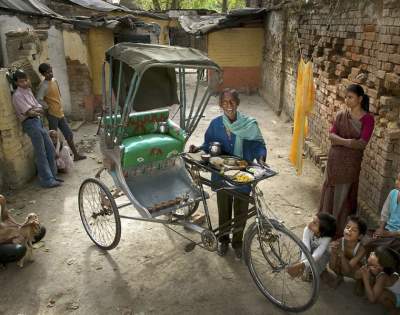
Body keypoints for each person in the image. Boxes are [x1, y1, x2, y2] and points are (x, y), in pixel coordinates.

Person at [189, 88, 266, 258]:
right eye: (225, 102)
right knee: (224, 210)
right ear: (221, 104)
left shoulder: (249, 124)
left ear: (237, 103)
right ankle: (223, 241)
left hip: (243, 174)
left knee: (241, 212)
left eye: (232, 102)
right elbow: (209, 143)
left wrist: (260, 157)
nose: (228, 105)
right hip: (222, 174)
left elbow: (259, 144)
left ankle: (237, 243)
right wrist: (199, 148)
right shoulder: (216, 124)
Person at [319, 84, 375, 238]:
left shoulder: (368, 119)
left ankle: (338, 230)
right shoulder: (341, 115)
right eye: (346, 97)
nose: (347, 100)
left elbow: (362, 143)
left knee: (344, 195)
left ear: (360, 99)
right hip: (334, 162)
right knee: (330, 192)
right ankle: (324, 226)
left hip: (350, 165)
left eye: (350, 97)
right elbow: (331, 136)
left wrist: (341, 141)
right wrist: (350, 142)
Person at [11, 70, 61, 188]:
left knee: (49, 148)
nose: (24, 83)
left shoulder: (28, 91)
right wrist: (35, 110)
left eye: (25, 80)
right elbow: (29, 112)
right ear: (16, 82)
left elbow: (39, 107)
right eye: (21, 81)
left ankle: (53, 176)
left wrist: (35, 110)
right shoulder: (17, 95)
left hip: (37, 121)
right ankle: (46, 180)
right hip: (30, 124)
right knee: (41, 152)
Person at [37, 63, 86, 161]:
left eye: (51, 71)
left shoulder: (54, 81)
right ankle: (56, 160)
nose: (50, 74)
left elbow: (58, 95)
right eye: (47, 73)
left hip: (60, 112)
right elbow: (39, 99)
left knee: (69, 134)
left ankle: (75, 155)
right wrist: (47, 107)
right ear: (43, 74)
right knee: (54, 138)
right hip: (52, 115)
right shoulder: (43, 86)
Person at [287, 213, 336, 279]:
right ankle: (307, 269)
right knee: (302, 247)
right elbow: (305, 247)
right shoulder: (307, 229)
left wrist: (302, 265)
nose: (310, 223)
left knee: (319, 262)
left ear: (321, 232)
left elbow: (317, 255)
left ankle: (316, 272)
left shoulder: (327, 239)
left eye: (314, 223)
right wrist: (302, 264)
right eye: (312, 220)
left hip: (322, 254)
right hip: (310, 249)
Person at [0, 194, 46, 264]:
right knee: (19, 250)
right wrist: (11, 239)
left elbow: (6, 217)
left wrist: (23, 226)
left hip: (7, 235)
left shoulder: (1, 199)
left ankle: (19, 247)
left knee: (40, 230)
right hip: (3, 240)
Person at [329, 215, 368, 287]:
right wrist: (333, 252)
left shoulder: (361, 249)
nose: (349, 230)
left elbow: (347, 270)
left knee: (359, 273)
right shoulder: (340, 241)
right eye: (347, 227)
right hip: (346, 266)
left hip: (355, 269)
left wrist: (342, 255)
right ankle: (339, 276)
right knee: (334, 260)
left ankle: (360, 281)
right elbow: (331, 265)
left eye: (354, 230)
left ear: (360, 236)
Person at [358, 246, 400, 313]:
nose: (371, 252)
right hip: (393, 293)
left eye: (374, 254)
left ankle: (394, 311)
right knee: (372, 281)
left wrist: (365, 279)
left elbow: (372, 300)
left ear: (380, 265)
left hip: (398, 297)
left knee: (381, 295)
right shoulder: (376, 269)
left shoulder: (382, 276)